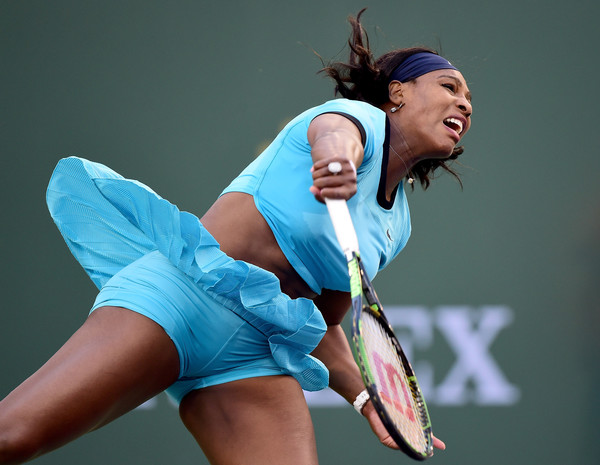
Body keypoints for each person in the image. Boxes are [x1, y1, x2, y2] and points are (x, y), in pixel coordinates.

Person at [0, 9, 472, 465]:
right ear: (398, 93)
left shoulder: (397, 226)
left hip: (253, 357)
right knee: (14, 438)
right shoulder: (357, 121)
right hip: (182, 300)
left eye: (469, 101)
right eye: (449, 88)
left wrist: (368, 399)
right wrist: (336, 163)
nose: (464, 104)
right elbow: (332, 133)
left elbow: (321, 323)